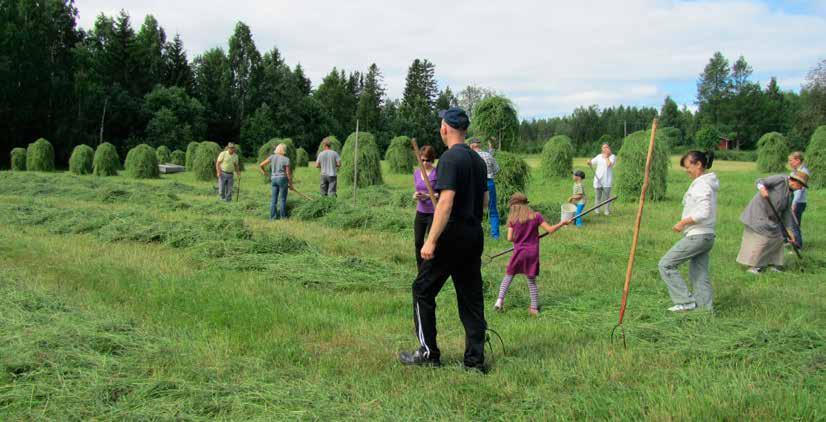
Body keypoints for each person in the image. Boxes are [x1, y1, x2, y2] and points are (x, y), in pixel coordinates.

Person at [398, 107, 489, 372]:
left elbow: (446, 202)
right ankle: (474, 362)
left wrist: (431, 240)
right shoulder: (479, 161)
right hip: (474, 234)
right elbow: (484, 203)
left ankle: (428, 354)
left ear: (445, 129)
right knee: (471, 298)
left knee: (422, 289)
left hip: (451, 235)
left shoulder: (449, 159)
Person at [658, 151, 719, 312]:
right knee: (699, 274)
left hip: (698, 235)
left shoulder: (702, 184)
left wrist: (683, 222)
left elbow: (704, 212)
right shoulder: (705, 183)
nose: (687, 171)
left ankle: (685, 301)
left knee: (666, 264)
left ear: (698, 164)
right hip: (706, 236)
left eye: (688, 167)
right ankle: (705, 310)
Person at [494, 193, 570, 316]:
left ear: (514, 206)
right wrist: (562, 223)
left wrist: (519, 238)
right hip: (532, 253)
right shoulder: (536, 216)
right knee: (531, 280)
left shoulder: (512, 220)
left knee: (509, 276)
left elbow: (509, 238)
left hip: (519, 252)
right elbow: (550, 230)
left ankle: (499, 301)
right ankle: (534, 308)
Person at [736, 171, 808, 274]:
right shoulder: (780, 180)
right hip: (758, 214)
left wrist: (790, 231)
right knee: (763, 239)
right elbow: (760, 181)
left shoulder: (790, 194)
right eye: (801, 185)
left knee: (778, 238)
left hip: (771, 218)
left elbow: (786, 213)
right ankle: (754, 267)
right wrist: (762, 189)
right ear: (794, 181)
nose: (801, 188)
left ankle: (774, 265)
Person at [413, 145, 439, 269]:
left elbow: (441, 194)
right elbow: (416, 189)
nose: (425, 163)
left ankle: (430, 268)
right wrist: (416, 195)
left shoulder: (436, 173)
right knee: (418, 242)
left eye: (427, 160)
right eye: (422, 160)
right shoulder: (417, 173)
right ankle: (420, 269)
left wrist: (428, 196)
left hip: (433, 212)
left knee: (431, 242)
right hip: (420, 212)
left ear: (432, 159)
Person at [470, 138, 501, 239]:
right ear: (480, 145)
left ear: (471, 146)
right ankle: (495, 235)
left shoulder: (470, 157)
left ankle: (475, 233)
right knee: (492, 209)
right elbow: (497, 170)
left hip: (475, 184)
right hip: (489, 183)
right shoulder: (488, 155)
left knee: (474, 209)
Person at [258, 144, 293, 220]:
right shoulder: (286, 159)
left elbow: (261, 165)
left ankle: (272, 217)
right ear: (284, 150)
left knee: (274, 199)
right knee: (283, 199)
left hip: (273, 179)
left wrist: (264, 172)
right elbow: (288, 173)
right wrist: (290, 184)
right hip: (282, 179)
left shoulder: (272, 157)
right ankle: (283, 217)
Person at [788, 152, 810, 248]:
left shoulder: (803, 172)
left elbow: (799, 191)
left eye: (791, 160)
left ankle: (798, 245)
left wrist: (793, 204)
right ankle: (788, 240)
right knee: (791, 223)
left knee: (794, 224)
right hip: (794, 200)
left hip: (798, 202)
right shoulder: (794, 171)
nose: (789, 162)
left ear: (798, 160)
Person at [586, 143, 616, 216]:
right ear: (601, 149)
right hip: (598, 180)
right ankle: (597, 210)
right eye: (603, 148)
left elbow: (609, 164)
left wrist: (606, 157)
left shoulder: (612, 156)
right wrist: (589, 162)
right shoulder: (599, 156)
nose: (605, 149)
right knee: (598, 197)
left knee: (606, 197)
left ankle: (606, 211)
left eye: (606, 147)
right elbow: (591, 163)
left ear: (609, 148)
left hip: (607, 181)